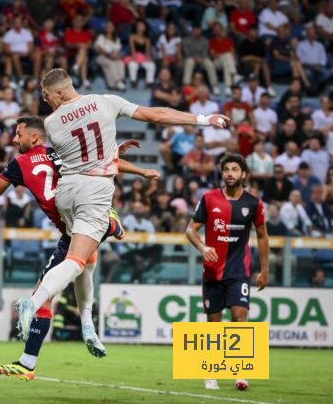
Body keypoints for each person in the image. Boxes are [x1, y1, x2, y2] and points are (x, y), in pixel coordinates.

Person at [14, 68, 229, 355]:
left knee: (88, 258)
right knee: (77, 260)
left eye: (47, 95)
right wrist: (204, 120)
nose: (45, 101)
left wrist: (113, 153)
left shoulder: (52, 123)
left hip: (66, 193)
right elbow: (158, 115)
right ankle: (35, 299)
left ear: (61, 92)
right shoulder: (106, 102)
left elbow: (82, 150)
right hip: (95, 191)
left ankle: (88, 325)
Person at [0, 116, 158, 379]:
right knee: (83, 268)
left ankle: (29, 355)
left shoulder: (19, 164)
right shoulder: (63, 153)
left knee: (54, 283)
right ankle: (84, 329)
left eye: (18, 134)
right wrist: (142, 171)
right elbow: (103, 164)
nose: (14, 139)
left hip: (78, 224)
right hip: (76, 224)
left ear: (34, 137)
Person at [186, 153, 269, 392]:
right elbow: (190, 230)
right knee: (214, 324)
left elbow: (262, 236)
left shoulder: (254, 203)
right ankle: (212, 372)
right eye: (226, 170)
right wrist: (203, 246)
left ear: (243, 174)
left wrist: (264, 270)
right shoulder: (209, 198)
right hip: (212, 272)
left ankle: (241, 372)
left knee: (239, 318)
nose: (230, 174)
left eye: (234, 169)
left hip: (239, 271)